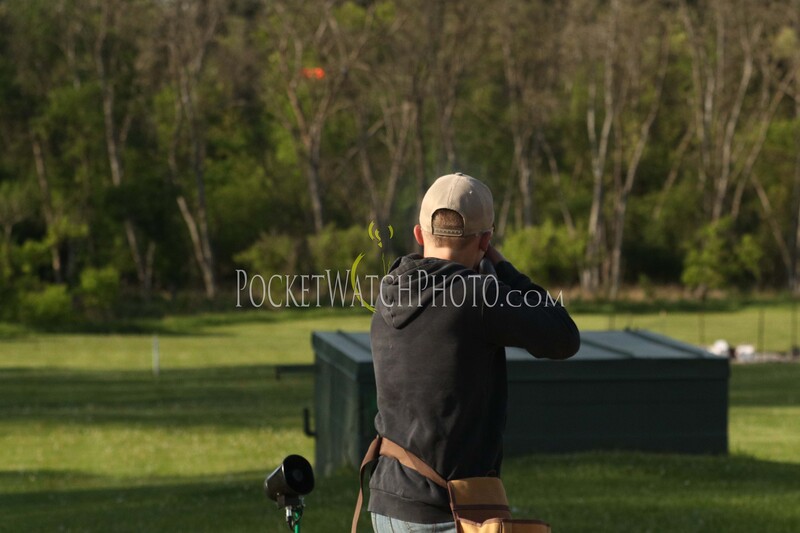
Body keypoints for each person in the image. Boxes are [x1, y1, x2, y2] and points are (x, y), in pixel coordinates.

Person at [367, 172, 581, 533]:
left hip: (388, 502)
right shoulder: (480, 294)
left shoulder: (389, 288)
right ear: (485, 241)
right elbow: (563, 336)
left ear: (418, 235)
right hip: (449, 508)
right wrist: (503, 268)